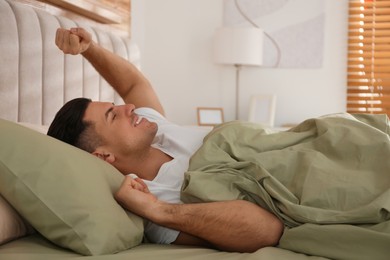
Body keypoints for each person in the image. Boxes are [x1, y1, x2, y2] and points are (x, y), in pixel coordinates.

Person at [47, 27, 284, 253]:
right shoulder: (153, 201)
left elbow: (132, 85)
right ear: (103, 155)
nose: (129, 108)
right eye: (113, 115)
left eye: (116, 106)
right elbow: (267, 231)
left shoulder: (153, 128)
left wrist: (89, 48)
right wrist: (158, 210)